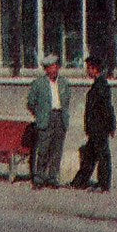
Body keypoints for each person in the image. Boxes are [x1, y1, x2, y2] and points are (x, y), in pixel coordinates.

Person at [70, 56, 116, 192]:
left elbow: (107, 108)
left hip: (99, 128)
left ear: (94, 69)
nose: (87, 71)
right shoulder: (98, 84)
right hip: (95, 128)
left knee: (102, 156)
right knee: (89, 156)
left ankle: (103, 185)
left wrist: (111, 126)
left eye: (88, 68)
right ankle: (79, 182)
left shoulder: (101, 85)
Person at [27, 53, 72, 189]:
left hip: (60, 117)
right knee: (43, 149)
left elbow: (67, 99)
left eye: (55, 67)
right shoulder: (38, 83)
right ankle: (39, 178)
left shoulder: (64, 82)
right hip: (46, 118)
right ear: (46, 69)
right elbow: (30, 103)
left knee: (57, 150)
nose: (53, 70)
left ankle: (53, 177)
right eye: (50, 67)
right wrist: (39, 114)